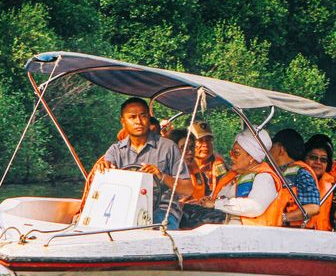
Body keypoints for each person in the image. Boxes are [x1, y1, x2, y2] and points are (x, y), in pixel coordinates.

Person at [92, 97, 192, 229]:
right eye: (132, 117)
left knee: (154, 225)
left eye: (143, 116)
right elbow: (106, 185)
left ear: (149, 118)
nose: (138, 121)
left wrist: (161, 176)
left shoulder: (168, 147)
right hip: (124, 210)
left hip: (162, 210)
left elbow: (187, 189)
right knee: (98, 226)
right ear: (123, 122)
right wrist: (103, 169)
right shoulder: (115, 151)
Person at [208, 128, 289, 225]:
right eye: (231, 153)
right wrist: (207, 200)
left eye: (236, 153)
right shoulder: (232, 178)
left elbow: (255, 206)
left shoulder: (264, 177)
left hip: (251, 236)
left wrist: (216, 204)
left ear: (251, 157)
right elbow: (216, 199)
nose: (231, 156)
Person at [270, 128, 321, 226]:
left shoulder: (301, 173)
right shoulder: (272, 172)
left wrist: (283, 217)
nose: (269, 149)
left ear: (281, 149)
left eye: (273, 145)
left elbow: (313, 208)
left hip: (294, 234)